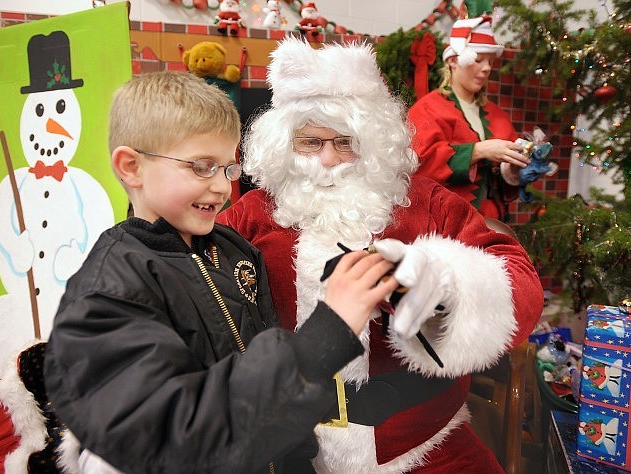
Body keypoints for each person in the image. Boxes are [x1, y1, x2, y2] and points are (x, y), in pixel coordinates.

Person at [42, 70, 399, 473]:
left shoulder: (233, 251)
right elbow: (179, 437)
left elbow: (265, 377)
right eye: (201, 167)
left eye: (229, 169)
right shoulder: (109, 289)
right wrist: (327, 334)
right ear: (131, 167)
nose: (222, 188)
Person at [217, 37, 544, 473]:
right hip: (287, 449)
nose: (329, 160)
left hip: (421, 442)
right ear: (284, 143)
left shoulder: (427, 204)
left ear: (374, 142)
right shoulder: (252, 214)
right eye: (311, 143)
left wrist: (448, 288)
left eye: (345, 142)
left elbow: (517, 278)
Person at [408, 16, 531, 220]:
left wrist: (516, 167)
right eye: (478, 59)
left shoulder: (497, 115)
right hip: (446, 224)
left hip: (493, 222)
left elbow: (504, 181)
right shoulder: (427, 110)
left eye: (490, 62)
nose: (487, 68)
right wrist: (480, 150)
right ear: (453, 61)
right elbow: (420, 166)